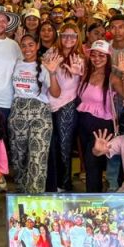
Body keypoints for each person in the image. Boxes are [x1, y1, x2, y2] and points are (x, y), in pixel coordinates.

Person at [8, 34, 60, 194]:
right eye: (23, 45)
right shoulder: (15, 64)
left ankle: (35, 196)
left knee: (37, 157)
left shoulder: (45, 66)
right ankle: (23, 192)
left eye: (31, 45)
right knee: (19, 158)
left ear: (37, 46)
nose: (27, 49)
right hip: (18, 112)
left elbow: (56, 93)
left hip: (40, 113)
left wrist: (52, 73)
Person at [75, 41, 120, 192]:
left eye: (101, 55)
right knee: (89, 164)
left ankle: (94, 197)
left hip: (102, 126)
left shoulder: (112, 78)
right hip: (83, 122)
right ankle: (93, 193)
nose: (97, 58)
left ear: (108, 57)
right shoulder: (86, 73)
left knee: (93, 162)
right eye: (93, 55)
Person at [47, 23, 85, 192]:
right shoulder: (52, 53)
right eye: (65, 35)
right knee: (52, 145)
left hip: (67, 105)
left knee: (64, 146)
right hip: (48, 105)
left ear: (78, 38)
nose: (68, 39)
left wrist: (80, 74)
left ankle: (64, 183)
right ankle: (53, 182)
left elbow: (88, 85)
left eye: (73, 35)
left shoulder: (80, 57)